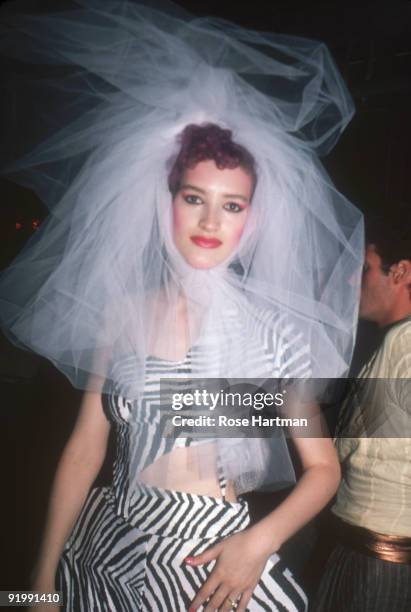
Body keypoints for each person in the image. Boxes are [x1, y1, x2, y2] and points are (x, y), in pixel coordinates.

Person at [0, 1, 363, 610]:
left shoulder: (277, 334)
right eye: (195, 197)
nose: (210, 221)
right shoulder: (122, 314)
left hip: (210, 554)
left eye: (233, 205)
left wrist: (259, 542)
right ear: (167, 199)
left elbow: (323, 468)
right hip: (104, 542)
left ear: (253, 219)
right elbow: (86, 446)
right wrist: (36, 584)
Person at [314, 210, 411, 611]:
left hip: (384, 560)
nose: (353, 279)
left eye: (365, 268)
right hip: (359, 548)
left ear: (401, 272)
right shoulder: (391, 343)